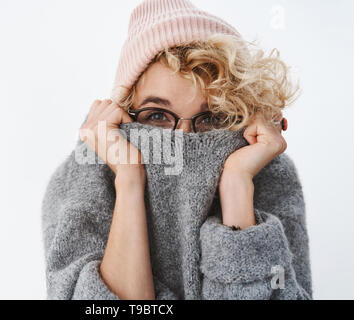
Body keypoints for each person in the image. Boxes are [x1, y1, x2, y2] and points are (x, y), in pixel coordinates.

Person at [42, 0, 312, 300]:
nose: (183, 138)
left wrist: (237, 184)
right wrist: (129, 180)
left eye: (210, 118)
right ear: (125, 114)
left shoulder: (268, 173)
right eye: (157, 115)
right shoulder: (86, 174)